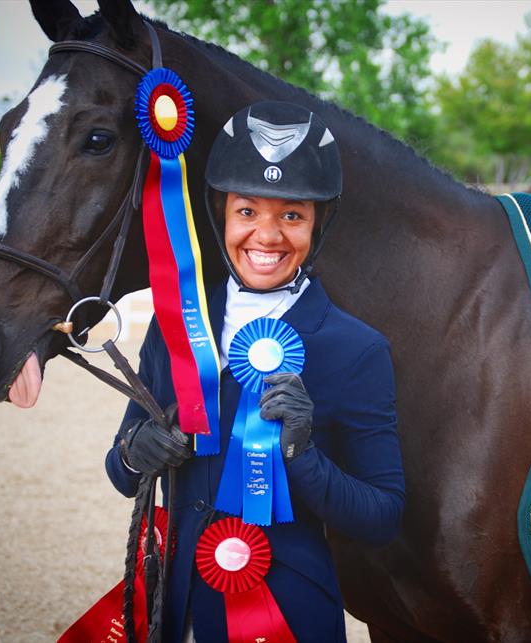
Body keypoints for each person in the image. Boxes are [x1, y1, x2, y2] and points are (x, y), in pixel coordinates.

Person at [105, 101, 405, 642]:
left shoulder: (358, 350)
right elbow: (120, 471)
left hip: (288, 614)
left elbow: (382, 517)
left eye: (291, 215)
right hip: (174, 607)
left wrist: (303, 456)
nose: (266, 236)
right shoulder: (174, 323)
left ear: (318, 224)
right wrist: (136, 451)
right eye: (247, 211)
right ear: (221, 212)